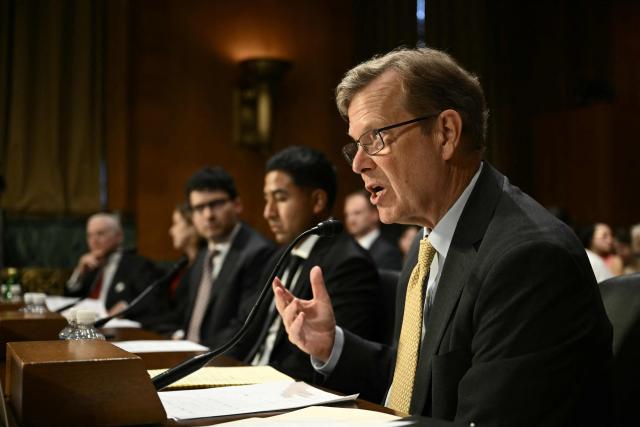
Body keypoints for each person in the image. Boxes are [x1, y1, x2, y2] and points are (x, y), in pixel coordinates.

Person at [271, 47, 612, 425]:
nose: (357, 163)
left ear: (446, 133)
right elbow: (421, 385)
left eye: (375, 138)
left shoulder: (529, 259)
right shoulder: (429, 244)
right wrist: (333, 345)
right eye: (356, 144)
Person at [231, 146, 380, 383]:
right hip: (246, 381)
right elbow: (243, 330)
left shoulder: (348, 264)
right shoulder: (279, 255)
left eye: (280, 198)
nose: (268, 212)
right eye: (267, 199)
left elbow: (326, 364)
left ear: (317, 200)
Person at [175, 166, 276, 348]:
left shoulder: (258, 252)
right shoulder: (204, 252)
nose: (208, 215)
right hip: (190, 355)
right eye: (199, 208)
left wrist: (199, 358)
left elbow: (245, 328)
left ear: (237, 205)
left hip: (220, 363)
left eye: (215, 204)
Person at [65, 213, 163, 322]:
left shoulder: (137, 265)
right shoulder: (90, 264)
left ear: (119, 236)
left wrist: (126, 307)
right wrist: (79, 272)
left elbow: (152, 300)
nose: (94, 240)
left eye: (100, 234)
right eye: (89, 235)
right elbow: (70, 299)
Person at [344, 190, 403, 271]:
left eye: (357, 213)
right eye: (347, 214)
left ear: (375, 214)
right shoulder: (344, 249)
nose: (351, 220)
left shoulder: (388, 253)